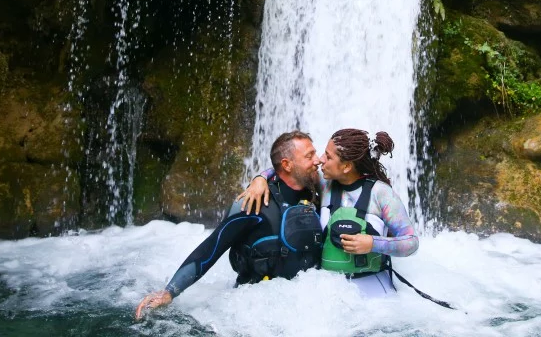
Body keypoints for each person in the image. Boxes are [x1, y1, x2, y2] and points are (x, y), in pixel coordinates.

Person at [134, 130, 322, 320]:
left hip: (306, 307)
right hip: (256, 313)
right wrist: (169, 292)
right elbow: (212, 247)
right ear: (287, 165)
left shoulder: (316, 192)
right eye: (310, 156)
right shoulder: (252, 204)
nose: (318, 160)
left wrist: (261, 176)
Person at [241, 128, 419, 297]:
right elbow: (288, 166)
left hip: (375, 292)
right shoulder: (325, 186)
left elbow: (411, 242)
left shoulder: (381, 193)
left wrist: (373, 243)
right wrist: (260, 178)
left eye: (328, 156)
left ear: (347, 166)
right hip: (328, 294)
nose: (320, 160)